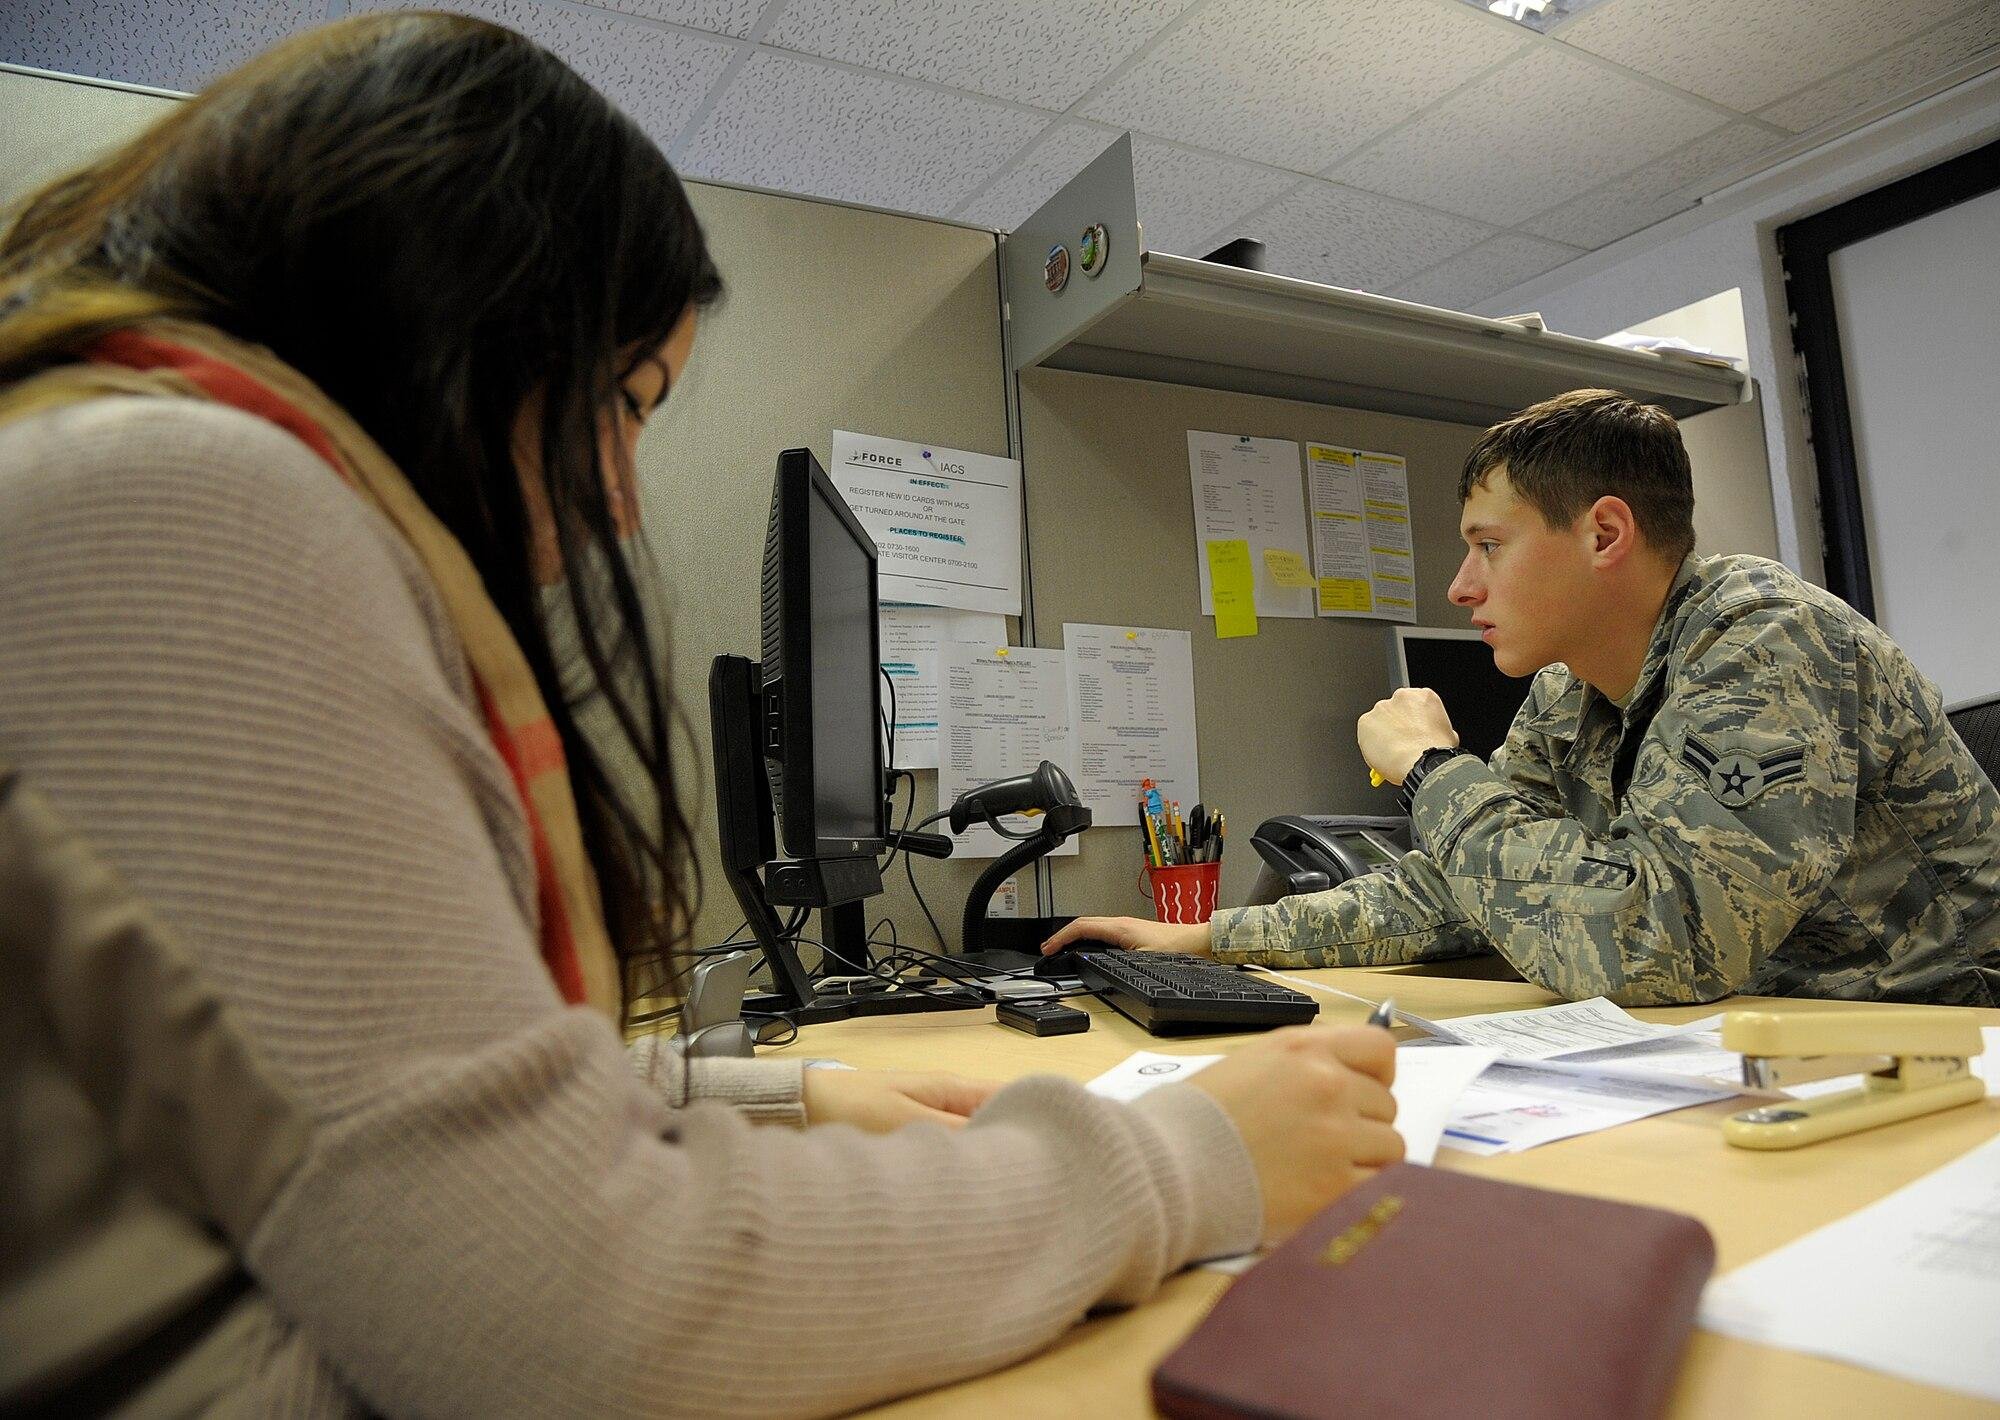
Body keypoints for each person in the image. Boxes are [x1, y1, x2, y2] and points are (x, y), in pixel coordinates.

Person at [0, 15, 1404, 1417]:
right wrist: (1184, 1162)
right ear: (442, 309)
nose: (618, 503)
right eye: (621, 401)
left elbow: (324, 1118)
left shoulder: (121, 473)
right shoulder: (178, 504)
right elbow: (558, 1311)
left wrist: (742, 1095)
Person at [1048, 389, 2000, 1008]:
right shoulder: (1569, 691)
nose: (1462, 587)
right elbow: (1467, 883)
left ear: (1604, 534)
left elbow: (1662, 946)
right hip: (1777, 1036)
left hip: (1946, 1042)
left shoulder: (1764, 640)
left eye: (1489, 545)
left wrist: (1431, 770)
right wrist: (1208, 938)